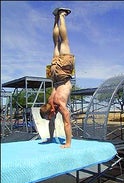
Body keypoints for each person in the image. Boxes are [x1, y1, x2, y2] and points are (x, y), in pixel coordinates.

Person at [40, 8, 75, 148]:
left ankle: (61, 16)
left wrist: (67, 143)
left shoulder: (59, 104)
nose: (51, 119)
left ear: (51, 111)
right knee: (55, 44)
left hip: (62, 73)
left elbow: (67, 122)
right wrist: (50, 138)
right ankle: (55, 18)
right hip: (54, 75)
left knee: (63, 41)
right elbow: (51, 122)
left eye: (51, 116)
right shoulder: (49, 103)